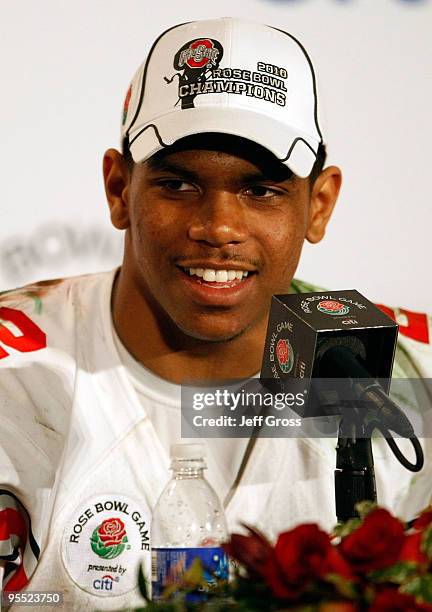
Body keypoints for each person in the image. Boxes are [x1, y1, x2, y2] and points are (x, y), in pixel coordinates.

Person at [0, 16, 431, 610]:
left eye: (261, 190)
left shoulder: (415, 376)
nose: (218, 228)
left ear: (320, 204)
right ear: (119, 189)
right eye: (178, 184)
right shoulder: (12, 376)